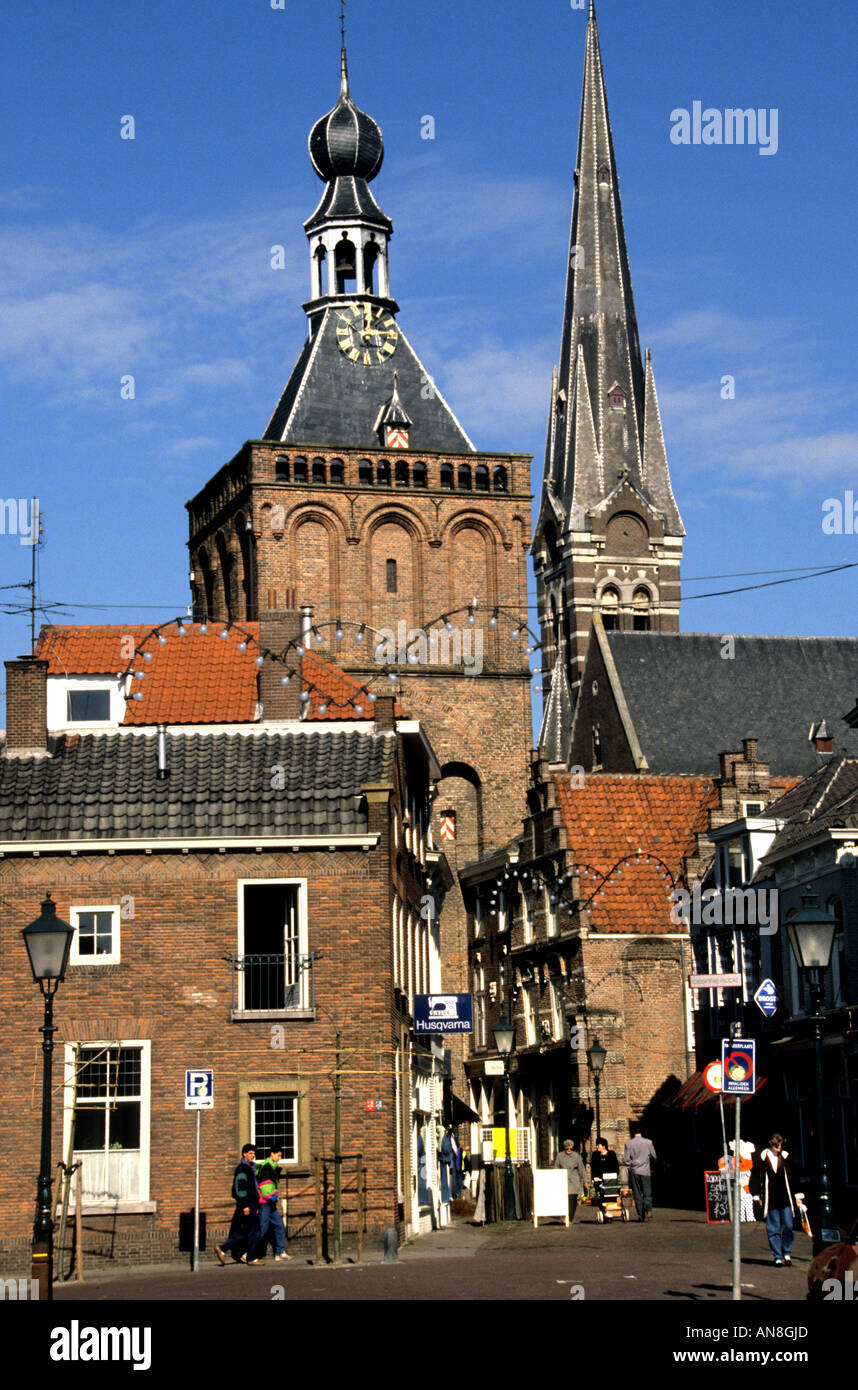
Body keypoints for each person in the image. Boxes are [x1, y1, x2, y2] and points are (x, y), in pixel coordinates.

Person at [750, 1134, 804, 1267]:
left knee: (788, 1226)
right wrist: (756, 1195)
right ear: (771, 1145)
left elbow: (794, 1177)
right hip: (771, 1199)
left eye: (780, 1145)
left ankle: (786, 1252)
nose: (779, 1148)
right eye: (776, 1145)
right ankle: (777, 1256)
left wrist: (798, 1197)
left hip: (786, 1198)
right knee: (773, 1229)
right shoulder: (762, 1158)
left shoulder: (786, 1157)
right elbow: (756, 1176)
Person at [216, 1142, 266, 1265]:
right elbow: (240, 1188)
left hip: (252, 1204)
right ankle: (252, 1258)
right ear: (244, 1154)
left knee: (246, 1230)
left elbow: (254, 1188)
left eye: (254, 1153)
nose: (252, 1155)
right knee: (254, 1231)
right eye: (250, 1153)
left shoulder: (250, 1168)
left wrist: (257, 1205)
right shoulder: (243, 1169)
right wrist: (245, 1205)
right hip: (248, 1204)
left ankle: (223, 1248)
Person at [256, 1144, 291, 1261]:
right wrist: (273, 1197)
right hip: (265, 1203)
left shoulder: (272, 1167)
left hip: (270, 1204)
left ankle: (279, 1252)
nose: (279, 1158)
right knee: (263, 1229)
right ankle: (248, 1252)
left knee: (279, 1226)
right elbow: (265, 1187)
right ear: (272, 1154)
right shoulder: (267, 1168)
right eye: (278, 1155)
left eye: (281, 1155)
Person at [624, 1126, 657, 1222]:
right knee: (647, 1191)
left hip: (635, 1171)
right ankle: (648, 1207)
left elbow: (626, 1160)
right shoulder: (648, 1142)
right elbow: (654, 1156)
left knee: (637, 1194)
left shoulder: (628, 1143)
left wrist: (631, 1167)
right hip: (646, 1170)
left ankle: (640, 1215)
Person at [554, 1139, 586, 1223]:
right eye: (567, 1147)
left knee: (572, 1199)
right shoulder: (560, 1156)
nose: (569, 1149)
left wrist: (585, 1181)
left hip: (574, 1179)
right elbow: (556, 1168)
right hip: (563, 1179)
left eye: (570, 1147)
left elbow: (581, 1169)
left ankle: (570, 1218)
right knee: (564, 1199)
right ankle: (564, 1216)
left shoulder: (576, 1156)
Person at [590, 1136, 620, 1222]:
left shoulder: (612, 1154)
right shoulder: (595, 1155)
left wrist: (614, 1175)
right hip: (599, 1179)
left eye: (598, 1145)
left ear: (603, 1146)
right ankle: (604, 1211)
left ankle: (611, 1210)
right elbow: (593, 1168)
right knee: (601, 1194)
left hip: (610, 1179)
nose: (597, 1147)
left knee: (612, 1192)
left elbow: (616, 1167)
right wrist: (594, 1177)